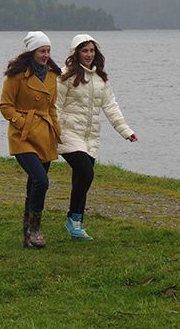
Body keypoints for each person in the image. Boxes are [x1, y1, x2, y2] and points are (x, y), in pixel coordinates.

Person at [54, 33, 137, 241]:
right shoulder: (64, 76)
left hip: (90, 137)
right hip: (67, 133)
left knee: (80, 178)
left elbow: (110, 106)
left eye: (92, 50)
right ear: (76, 53)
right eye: (84, 51)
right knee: (86, 173)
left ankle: (76, 224)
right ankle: (72, 219)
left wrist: (125, 130)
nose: (89, 54)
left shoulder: (101, 79)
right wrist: (54, 131)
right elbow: (55, 106)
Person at [0, 30, 62, 248]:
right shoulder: (16, 75)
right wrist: (21, 122)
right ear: (33, 52)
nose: (46, 55)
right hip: (22, 137)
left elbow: (51, 107)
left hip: (44, 134)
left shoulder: (53, 75)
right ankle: (35, 230)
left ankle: (28, 234)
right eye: (42, 51)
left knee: (33, 185)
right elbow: (5, 106)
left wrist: (57, 131)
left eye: (48, 51)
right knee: (41, 181)